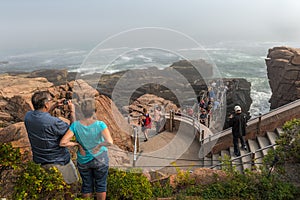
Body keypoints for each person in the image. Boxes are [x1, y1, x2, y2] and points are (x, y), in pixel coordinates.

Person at [24, 91, 78, 199]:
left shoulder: (28, 116)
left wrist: (54, 106)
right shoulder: (54, 122)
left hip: (40, 160)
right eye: (51, 100)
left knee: (52, 190)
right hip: (59, 161)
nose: (52, 102)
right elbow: (73, 130)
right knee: (71, 188)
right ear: (46, 104)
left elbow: (42, 116)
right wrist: (72, 111)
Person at [60, 99, 113, 200]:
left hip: (83, 159)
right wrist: (98, 146)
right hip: (100, 158)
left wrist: (77, 144)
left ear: (82, 112)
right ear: (94, 111)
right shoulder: (100, 124)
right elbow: (109, 142)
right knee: (101, 185)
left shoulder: (75, 125)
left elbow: (63, 143)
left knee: (87, 185)